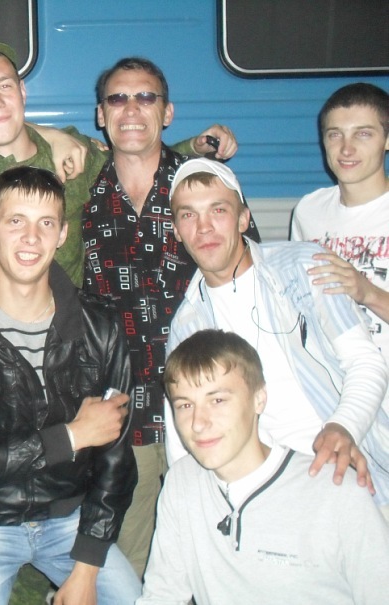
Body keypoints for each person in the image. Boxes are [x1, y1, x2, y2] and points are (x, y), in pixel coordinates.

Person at [0, 166, 140, 604]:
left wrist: (87, 564)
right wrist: (72, 436)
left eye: (46, 223)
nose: (31, 238)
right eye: (15, 221)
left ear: (62, 235)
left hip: (70, 518)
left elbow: (116, 459)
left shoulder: (100, 325)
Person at [81, 56, 259, 577]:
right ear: (100, 115)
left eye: (146, 97)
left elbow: (250, 271)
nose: (131, 109)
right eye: (118, 98)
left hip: (205, 392)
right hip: (121, 399)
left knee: (220, 538)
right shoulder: (80, 190)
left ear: (168, 112)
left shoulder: (201, 185)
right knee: (128, 549)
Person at [166, 157, 389, 517]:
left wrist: (343, 427)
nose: (203, 228)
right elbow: (182, 439)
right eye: (188, 215)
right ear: (176, 230)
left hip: (355, 465)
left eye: (218, 210)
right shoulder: (187, 326)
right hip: (265, 496)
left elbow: (365, 361)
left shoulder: (305, 267)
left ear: (243, 219)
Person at [0, 41, 227, 291]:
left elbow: (138, 165)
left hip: (77, 341)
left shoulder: (75, 157)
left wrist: (192, 149)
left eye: (5, 87)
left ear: (22, 92)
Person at [139, 329, 389, 605]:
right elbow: (162, 596)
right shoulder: (182, 483)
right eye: (185, 405)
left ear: (259, 399)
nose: (198, 423)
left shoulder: (336, 492)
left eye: (217, 400)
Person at [291, 83, 389, 363]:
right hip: (331, 379)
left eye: (363, 134)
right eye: (335, 135)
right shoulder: (308, 210)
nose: (346, 149)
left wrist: (367, 293)